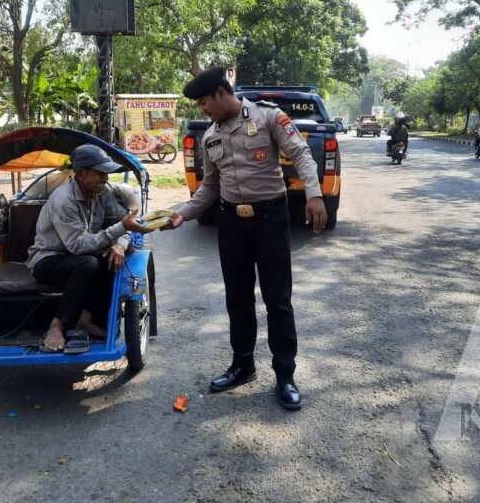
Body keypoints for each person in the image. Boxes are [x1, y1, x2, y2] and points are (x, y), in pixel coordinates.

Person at [165, 66, 327, 410]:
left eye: (204, 102)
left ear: (221, 93)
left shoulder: (269, 117)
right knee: (237, 299)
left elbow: (301, 153)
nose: (202, 110)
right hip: (231, 223)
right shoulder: (210, 137)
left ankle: (285, 376)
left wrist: (314, 195)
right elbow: (210, 187)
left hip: (271, 219)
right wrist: (183, 213)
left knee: (277, 300)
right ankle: (243, 366)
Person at [27, 144, 152, 353]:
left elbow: (124, 220)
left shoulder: (103, 191)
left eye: (106, 174)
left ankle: (86, 321)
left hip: (82, 255)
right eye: (100, 173)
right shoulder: (63, 200)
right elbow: (77, 246)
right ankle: (56, 326)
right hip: (48, 260)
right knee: (88, 263)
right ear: (81, 174)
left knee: (112, 258)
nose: (105, 178)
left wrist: (121, 244)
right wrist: (120, 229)